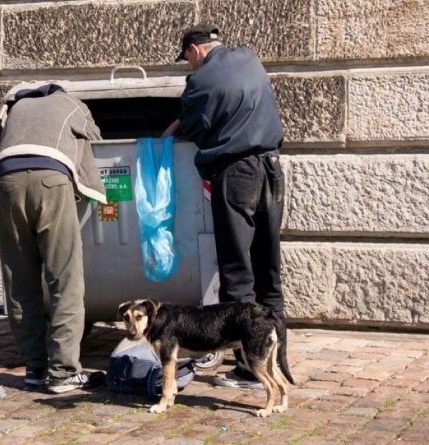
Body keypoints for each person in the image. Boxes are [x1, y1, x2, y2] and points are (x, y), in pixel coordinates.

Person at [163, 25, 287, 389]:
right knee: (268, 266)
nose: (189, 65)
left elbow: (194, 127)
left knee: (237, 270)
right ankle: (276, 359)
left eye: (186, 58)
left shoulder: (199, 82)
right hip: (271, 167)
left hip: (236, 175)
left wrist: (171, 129)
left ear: (195, 50)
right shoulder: (250, 58)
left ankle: (249, 368)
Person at [0, 83, 107, 394]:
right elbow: (95, 135)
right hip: (50, 180)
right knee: (64, 278)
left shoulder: (14, 106)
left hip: (7, 181)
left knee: (20, 280)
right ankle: (63, 373)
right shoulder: (71, 104)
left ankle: (34, 368)